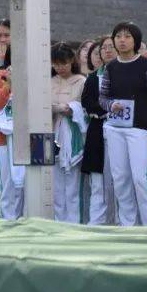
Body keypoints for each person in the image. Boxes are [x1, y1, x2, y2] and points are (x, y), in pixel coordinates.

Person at [99, 22, 147, 227]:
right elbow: (102, 98)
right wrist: (111, 105)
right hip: (115, 128)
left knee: (141, 179)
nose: (122, 40)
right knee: (120, 179)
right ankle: (128, 226)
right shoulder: (110, 67)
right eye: (118, 36)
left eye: (127, 36)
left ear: (136, 41)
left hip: (140, 130)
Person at [50, 43, 86, 223]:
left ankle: (74, 222)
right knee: (56, 184)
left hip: (73, 135)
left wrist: (70, 109)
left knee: (72, 184)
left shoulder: (81, 81)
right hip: (53, 132)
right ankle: (59, 221)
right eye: (56, 64)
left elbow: (83, 109)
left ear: (72, 60)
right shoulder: (49, 81)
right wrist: (57, 108)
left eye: (63, 63)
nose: (60, 68)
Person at [81, 37, 115, 224]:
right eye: (104, 48)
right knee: (97, 182)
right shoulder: (93, 78)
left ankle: (118, 223)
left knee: (118, 180)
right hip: (97, 130)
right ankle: (96, 224)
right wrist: (108, 108)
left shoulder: (126, 76)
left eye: (112, 47)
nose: (108, 51)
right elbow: (87, 102)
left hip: (120, 130)